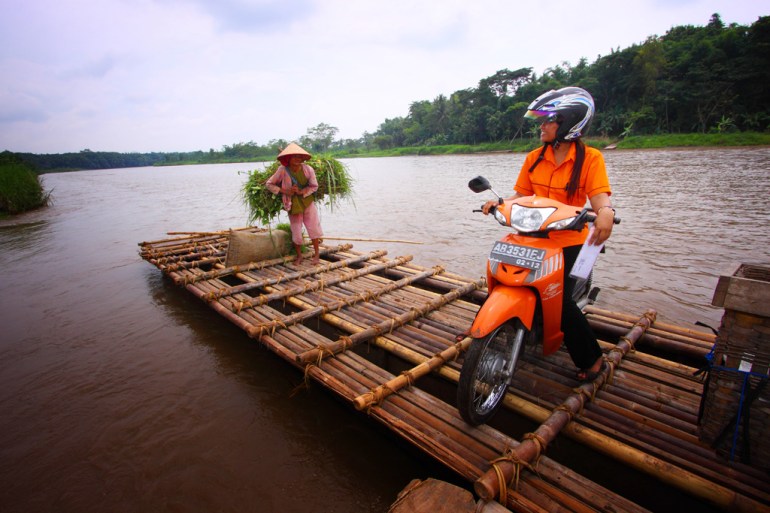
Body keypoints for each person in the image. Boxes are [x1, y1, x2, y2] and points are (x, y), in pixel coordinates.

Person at [481, 86, 615, 381]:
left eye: (548, 121)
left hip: (568, 238)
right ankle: (486, 329)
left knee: (561, 300)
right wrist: (499, 203)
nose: (541, 127)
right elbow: (520, 196)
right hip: (531, 235)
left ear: (568, 123)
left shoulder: (591, 159)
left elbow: (600, 197)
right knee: (500, 277)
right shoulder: (534, 158)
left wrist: (606, 211)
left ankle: (592, 360)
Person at [266, 142, 323, 265]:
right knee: (296, 231)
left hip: (307, 202)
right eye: (294, 157)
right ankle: (299, 256)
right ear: (288, 158)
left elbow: (314, 186)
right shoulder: (282, 170)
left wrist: (302, 191)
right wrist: (285, 190)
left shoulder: (308, 169)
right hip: (292, 204)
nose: (298, 159)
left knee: (313, 228)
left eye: (299, 157)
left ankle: (317, 255)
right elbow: (269, 184)